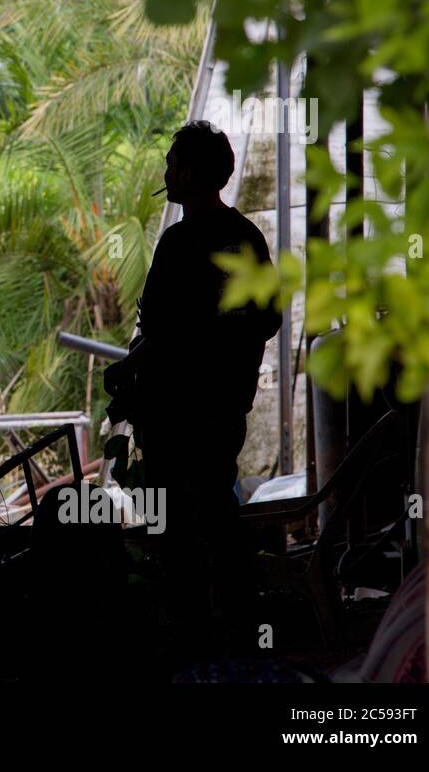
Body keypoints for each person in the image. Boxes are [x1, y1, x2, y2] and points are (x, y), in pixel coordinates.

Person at [130, 121, 281, 655]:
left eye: (172, 164)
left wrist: (138, 373)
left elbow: (157, 330)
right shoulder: (247, 237)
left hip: (174, 414)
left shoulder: (179, 242)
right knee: (217, 510)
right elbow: (268, 319)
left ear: (190, 174)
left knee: (174, 527)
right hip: (222, 409)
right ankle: (238, 631)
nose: (166, 173)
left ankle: (189, 639)